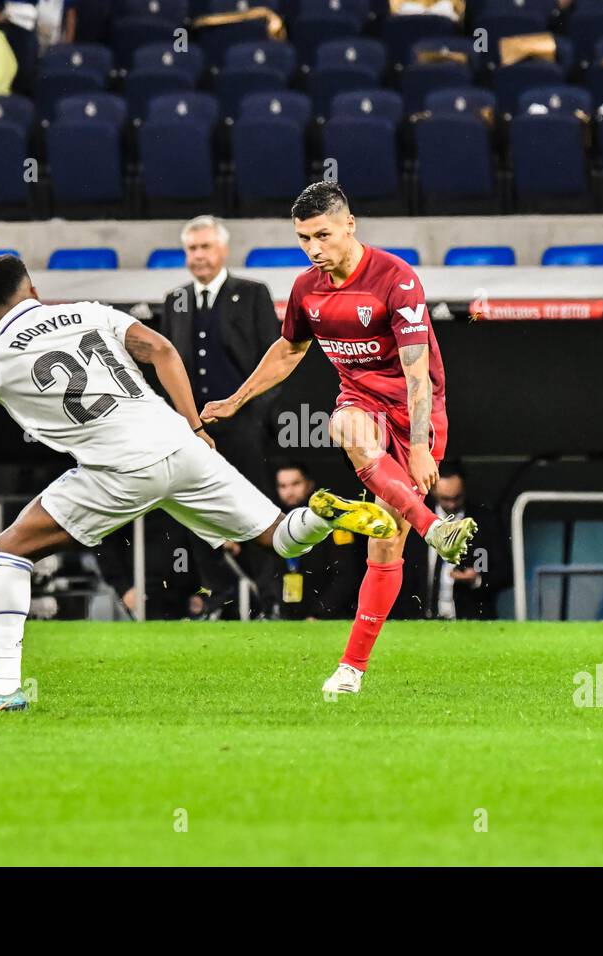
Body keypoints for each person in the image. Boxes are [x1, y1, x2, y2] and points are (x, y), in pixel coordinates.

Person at [0, 254, 397, 712]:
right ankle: (325, 512)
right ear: (34, 289)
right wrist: (194, 424)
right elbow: (162, 351)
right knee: (283, 538)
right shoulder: (88, 311)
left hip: (119, 466)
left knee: (11, 549)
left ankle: (5, 691)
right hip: (178, 443)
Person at [202, 181, 477, 695]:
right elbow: (288, 351)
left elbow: (418, 374)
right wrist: (236, 400)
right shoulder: (308, 289)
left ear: (349, 225)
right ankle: (432, 527)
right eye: (304, 239)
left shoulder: (396, 279)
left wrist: (419, 445)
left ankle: (354, 664)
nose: (313, 249)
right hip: (362, 403)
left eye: (322, 235)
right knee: (344, 424)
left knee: (385, 542)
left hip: (416, 413)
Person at [160, 215, 282, 617]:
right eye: (192, 249)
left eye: (206, 247)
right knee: (196, 511)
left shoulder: (252, 293)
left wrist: (257, 417)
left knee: (258, 510)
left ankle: (271, 600)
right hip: (193, 432)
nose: (199, 256)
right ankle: (219, 599)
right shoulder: (174, 300)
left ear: (223, 249)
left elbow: (277, 360)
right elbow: (166, 364)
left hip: (244, 428)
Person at [263, 461, 361, 620]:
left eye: (295, 484)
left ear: (309, 485)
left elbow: (346, 575)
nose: (289, 491)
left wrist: (319, 614)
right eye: (283, 486)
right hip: (287, 617)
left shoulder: (330, 520)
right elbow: (267, 574)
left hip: (328, 618)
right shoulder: (274, 524)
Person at [411, 459, 508, 620]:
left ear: (464, 490)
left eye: (457, 498)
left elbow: (505, 572)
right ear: (433, 490)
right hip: (420, 620)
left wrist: (477, 579)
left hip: (470, 619)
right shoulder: (415, 519)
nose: (452, 504)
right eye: (445, 499)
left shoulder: (485, 522)